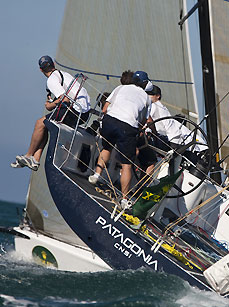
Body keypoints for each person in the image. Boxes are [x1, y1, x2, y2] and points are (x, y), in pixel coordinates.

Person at [11, 55, 91, 171]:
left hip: (75, 110)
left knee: (40, 123)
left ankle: (28, 155)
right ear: (53, 64)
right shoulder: (63, 74)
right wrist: (53, 103)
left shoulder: (52, 80)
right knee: (46, 125)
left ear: (41, 70)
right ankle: (35, 159)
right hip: (84, 113)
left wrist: (50, 105)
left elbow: (65, 99)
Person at [88, 71, 152, 207]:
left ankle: (96, 175)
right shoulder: (147, 98)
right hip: (127, 126)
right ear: (145, 84)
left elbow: (105, 108)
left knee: (107, 148)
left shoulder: (120, 88)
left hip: (110, 121)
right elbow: (143, 121)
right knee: (127, 164)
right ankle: (124, 199)